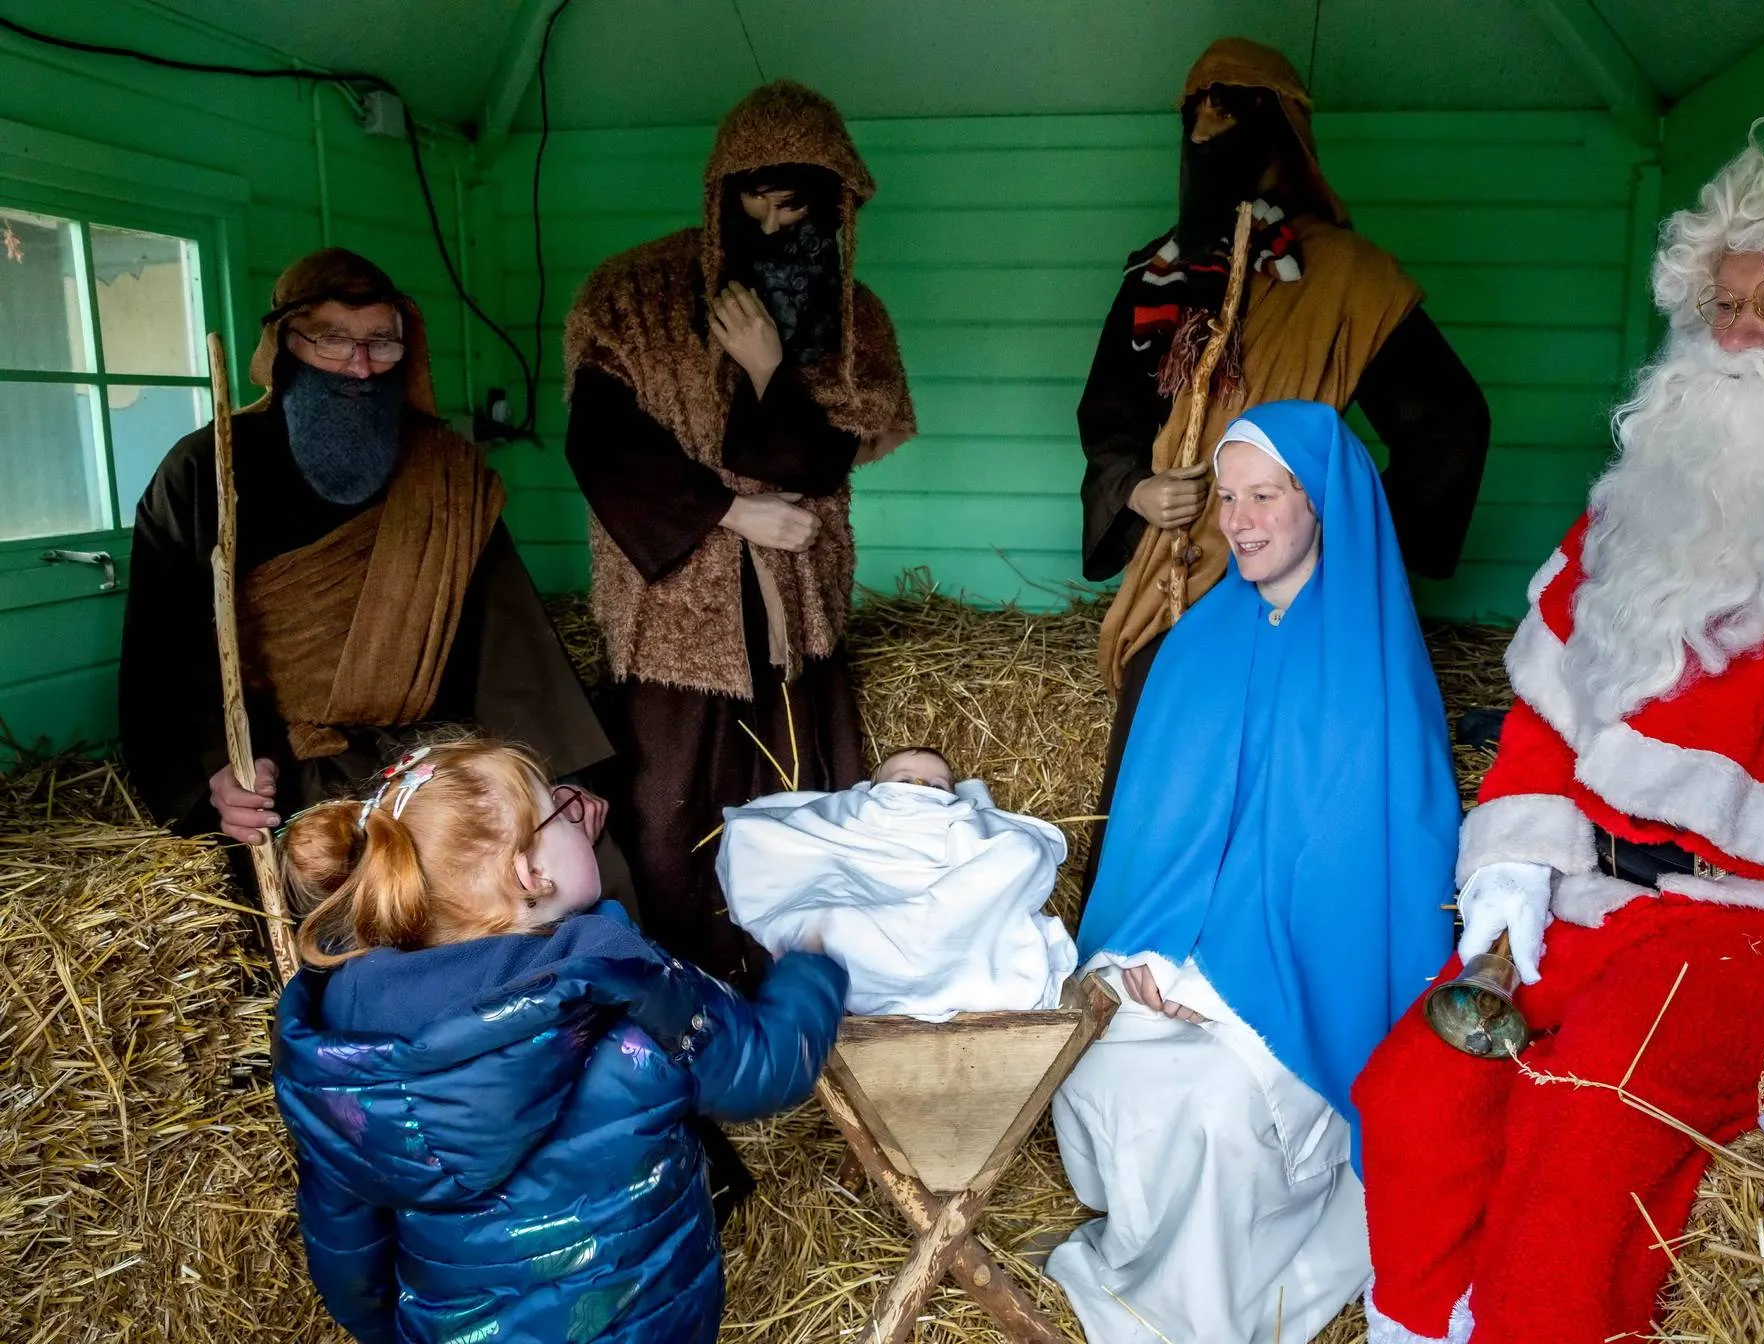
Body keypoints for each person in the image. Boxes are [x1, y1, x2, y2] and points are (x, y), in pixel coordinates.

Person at [1352, 139, 1764, 1344]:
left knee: (1589, 1125)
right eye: (1724, 307)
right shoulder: (1677, 455)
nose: (1742, 337)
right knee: (1412, 1092)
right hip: (1611, 893)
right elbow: (1558, 699)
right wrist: (1516, 844)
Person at [1049, 400, 1460, 1344]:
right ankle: (1151, 1275)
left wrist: (1226, 990)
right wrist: (1139, 957)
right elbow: (1154, 838)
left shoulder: (1371, 665)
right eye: (1227, 497)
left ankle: (1205, 1312)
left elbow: (1363, 876)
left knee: (1214, 1108)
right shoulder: (1195, 643)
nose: (1236, 521)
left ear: (1321, 504)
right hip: (1177, 963)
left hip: (1298, 996)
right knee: (1091, 1058)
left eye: (1264, 496)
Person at [1078, 37, 1488, 884]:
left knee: (1297, 783)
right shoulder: (1156, 275)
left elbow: (1449, 424)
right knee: (1160, 759)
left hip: (1298, 582)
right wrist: (1137, 490)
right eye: (1197, 117)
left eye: (1234, 113)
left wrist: (1348, 548)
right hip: (1182, 574)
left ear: (1284, 135)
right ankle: (1129, 956)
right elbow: (1108, 417)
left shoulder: (1346, 282)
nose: (1210, 131)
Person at [271, 738, 845, 1344]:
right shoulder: (630, 992)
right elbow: (766, 1067)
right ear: (530, 873)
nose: (581, 814)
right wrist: (812, 968)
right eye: (561, 813)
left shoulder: (345, 1054)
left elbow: (344, 1245)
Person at [565, 80, 915, 992]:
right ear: (722, 188)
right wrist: (726, 511)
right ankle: (686, 1001)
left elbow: (827, 457)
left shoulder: (852, 318)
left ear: (836, 203)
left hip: (796, 604)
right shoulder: (629, 295)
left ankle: (797, 992)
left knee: (801, 791)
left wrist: (769, 370)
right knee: (672, 806)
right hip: (675, 605)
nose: (773, 216)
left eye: (799, 200)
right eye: (755, 193)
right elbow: (602, 444)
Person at [119, 248, 611, 858]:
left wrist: (556, 774)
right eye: (332, 340)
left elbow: (507, 641)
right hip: (283, 771)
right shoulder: (205, 472)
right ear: (284, 347)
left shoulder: (444, 477)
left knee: (574, 859)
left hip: (436, 757)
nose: (360, 368)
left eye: (382, 342)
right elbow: (162, 654)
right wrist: (217, 770)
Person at [718, 746, 1074, 1020]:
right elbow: (776, 839)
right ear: (872, 788)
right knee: (832, 925)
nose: (920, 788)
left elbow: (1023, 854)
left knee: (1021, 851)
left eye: (938, 785)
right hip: (866, 908)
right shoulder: (855, 813)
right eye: (904, 781)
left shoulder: (963, 818)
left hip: (954, 921)